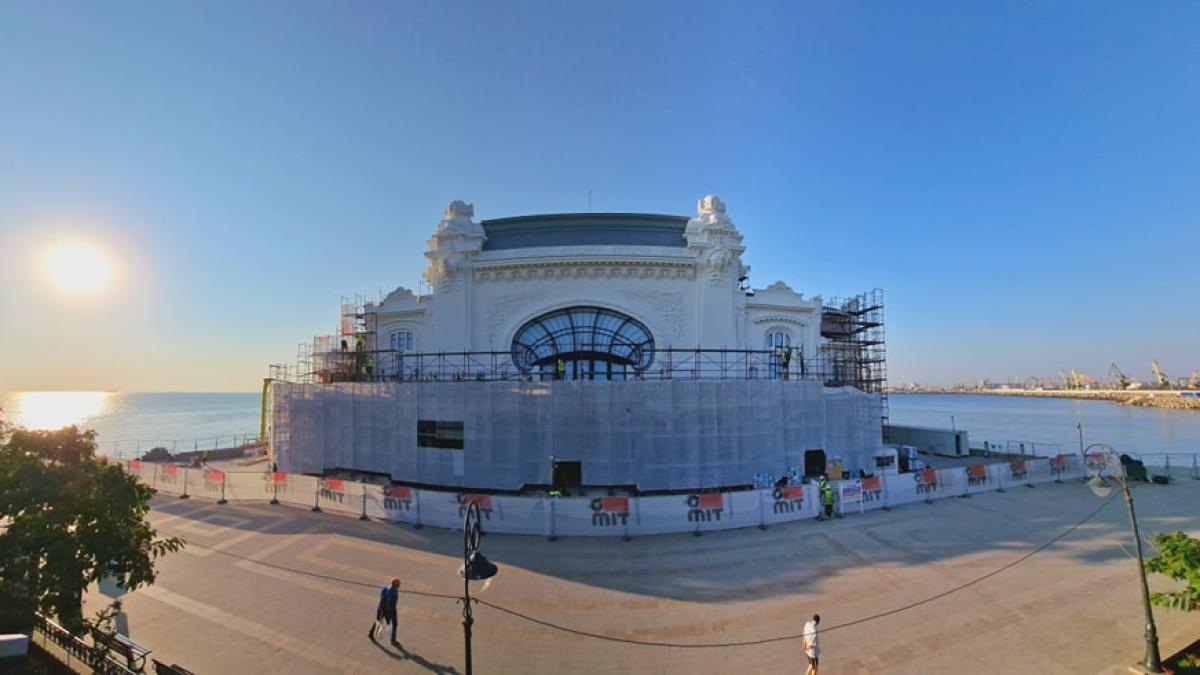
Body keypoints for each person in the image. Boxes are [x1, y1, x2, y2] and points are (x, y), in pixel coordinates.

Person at [369, 578, 401, 644]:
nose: (399, 586)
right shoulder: (394, 592)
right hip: (389, 610)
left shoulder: (385, 588)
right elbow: (391, 604)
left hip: (380, 608)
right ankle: (393, 640)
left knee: (378, 621)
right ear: (396, 585)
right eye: (398, 584)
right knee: (394, 624)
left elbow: (381, 596)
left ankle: (371, 632)